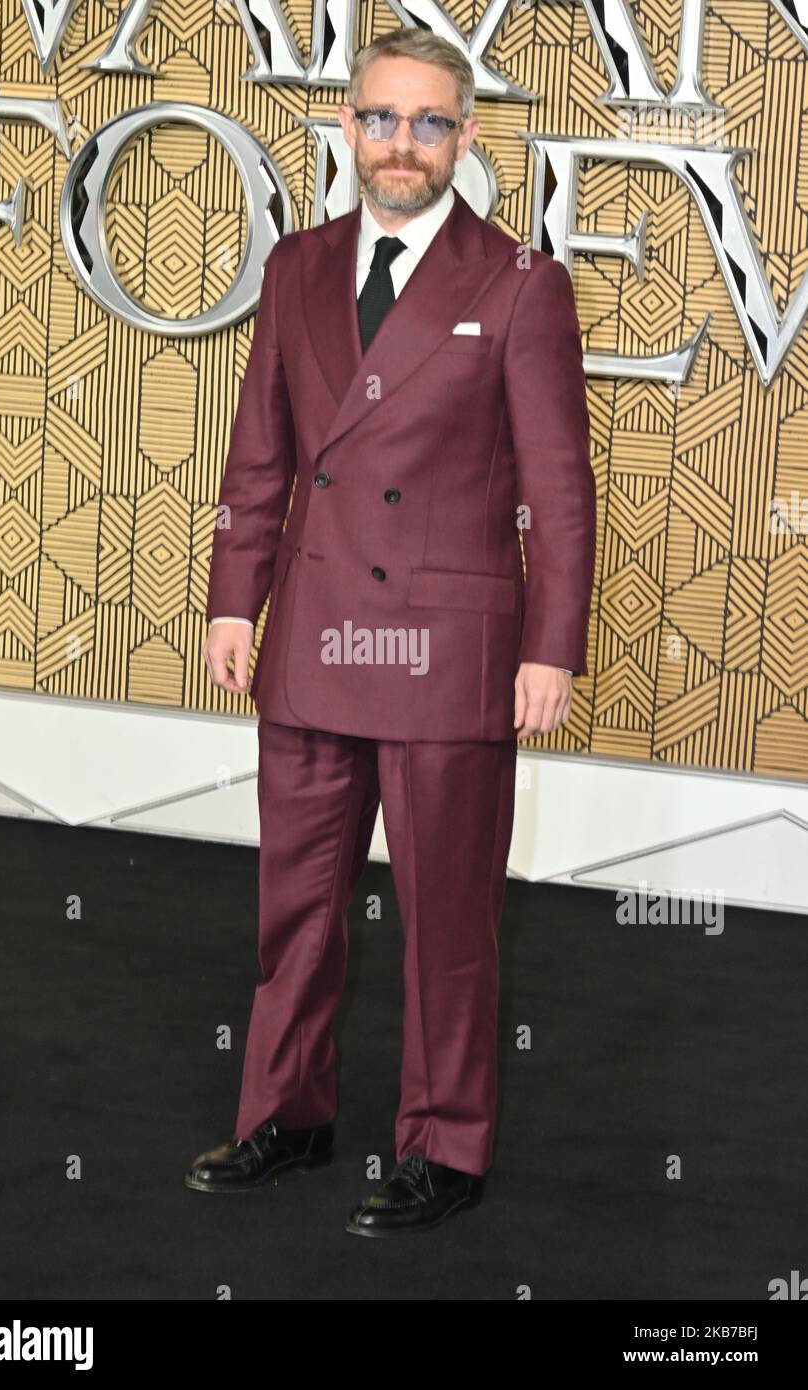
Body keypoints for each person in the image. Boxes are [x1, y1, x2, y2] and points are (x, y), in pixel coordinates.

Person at [187, 26, 596, 1237]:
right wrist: (229, 595)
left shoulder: (519, 280)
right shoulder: (298, 266)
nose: (400, 144)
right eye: (379, 118)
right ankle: (285, 1116)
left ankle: (444, 1146)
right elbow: (259, 451)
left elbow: (558, 487)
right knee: (293, 905)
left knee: (446, 923)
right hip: (313, 639)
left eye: (427, 123)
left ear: (465, 138)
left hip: (447, 653)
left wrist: (551, 645)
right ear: (348, 127)